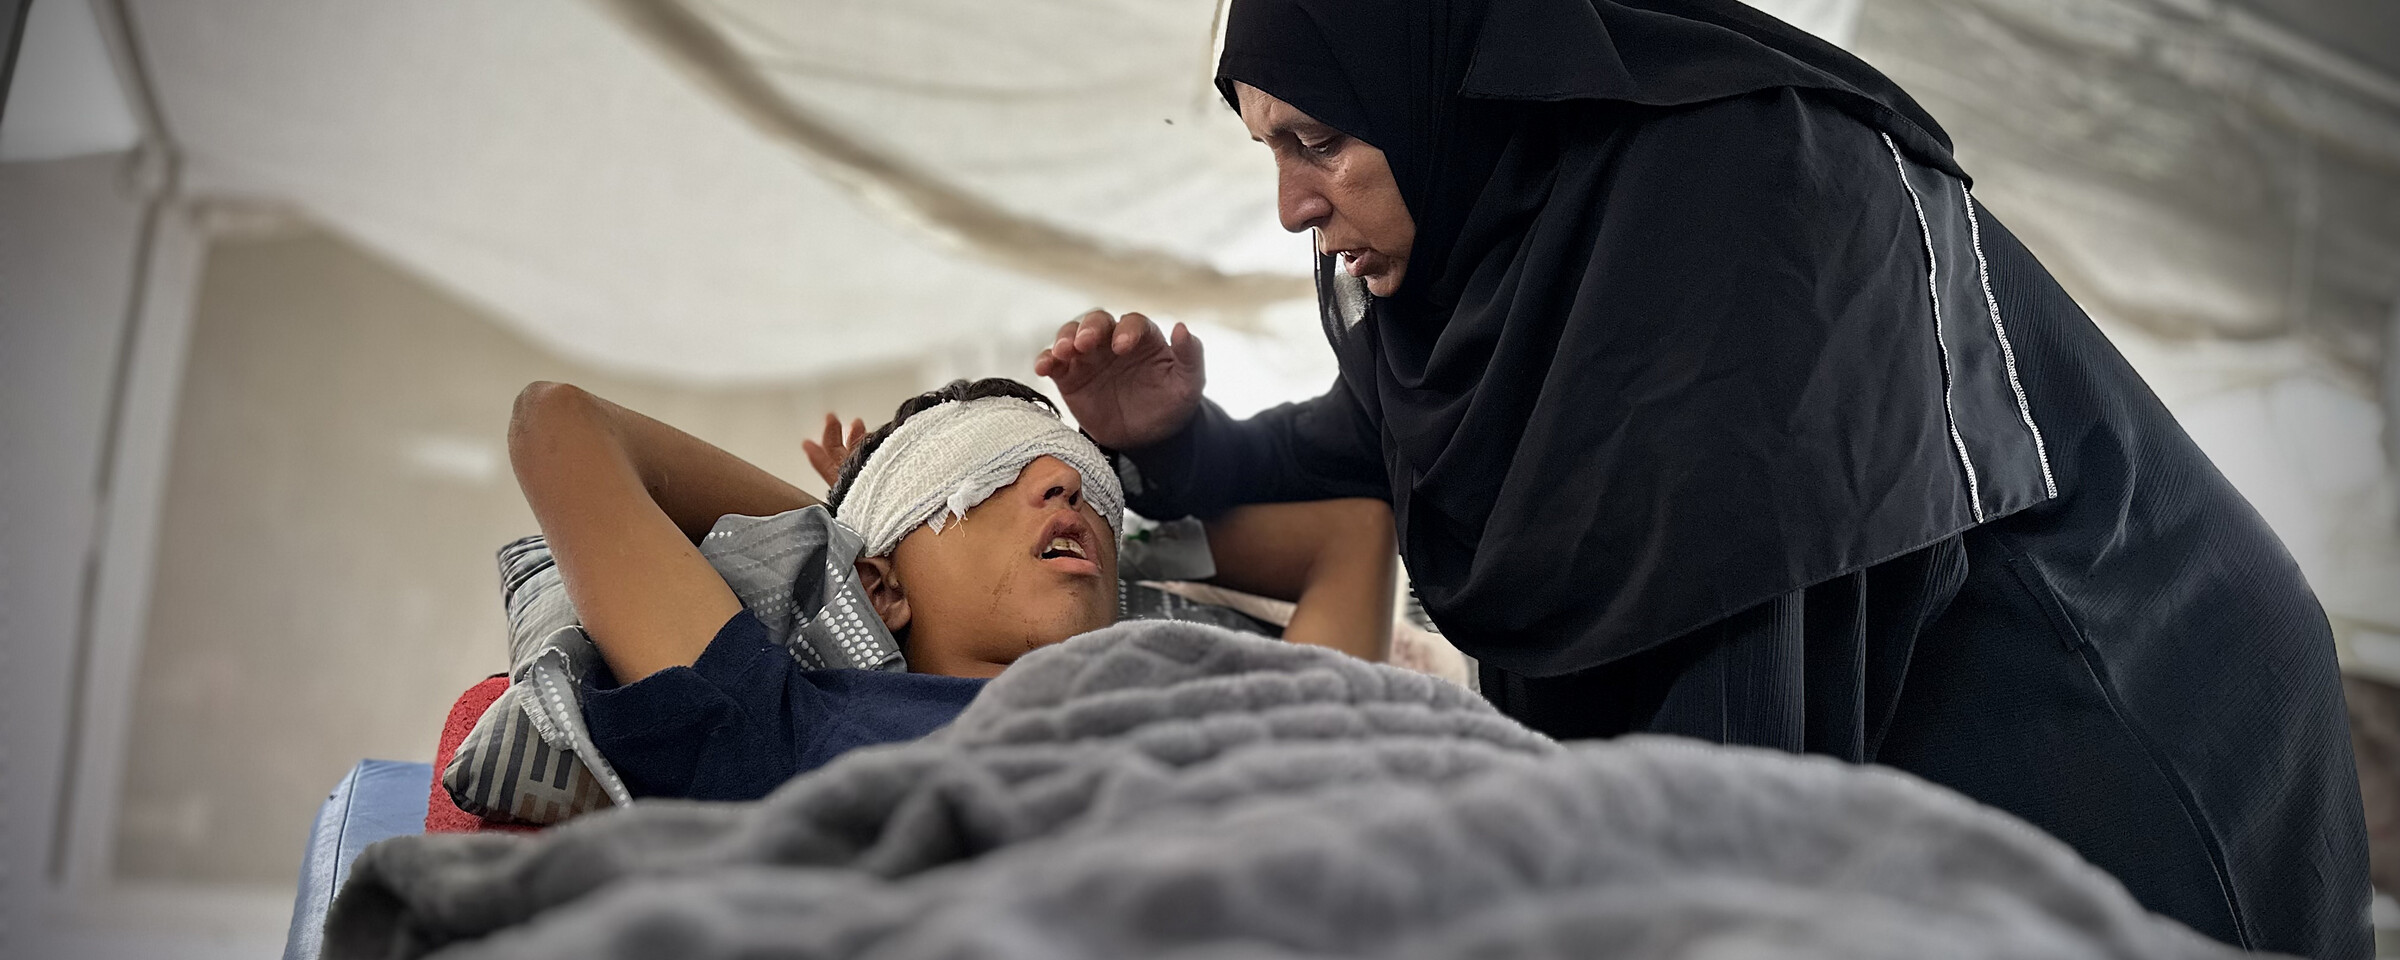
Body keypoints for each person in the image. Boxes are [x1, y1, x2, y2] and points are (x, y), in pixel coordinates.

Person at [1033, 0, 2371, 954]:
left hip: (2115, 676)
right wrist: (1165, 439)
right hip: (1882, 703)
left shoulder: (1754, 186)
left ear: (1430, 80)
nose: (1289, 208)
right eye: (1268, 148)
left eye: (1314, 140)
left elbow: (1749, 672)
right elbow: (1337, 449)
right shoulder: (1488, 269)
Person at [506, 376, 1393, 802]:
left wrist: (1144, 501)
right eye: (989, 473)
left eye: (1088, 486)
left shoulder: (1238, 708)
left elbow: (1352, 535)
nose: (1067, 489)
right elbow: (560, 426)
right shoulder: (798, 731)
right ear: (881, 589)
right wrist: (845, 533)